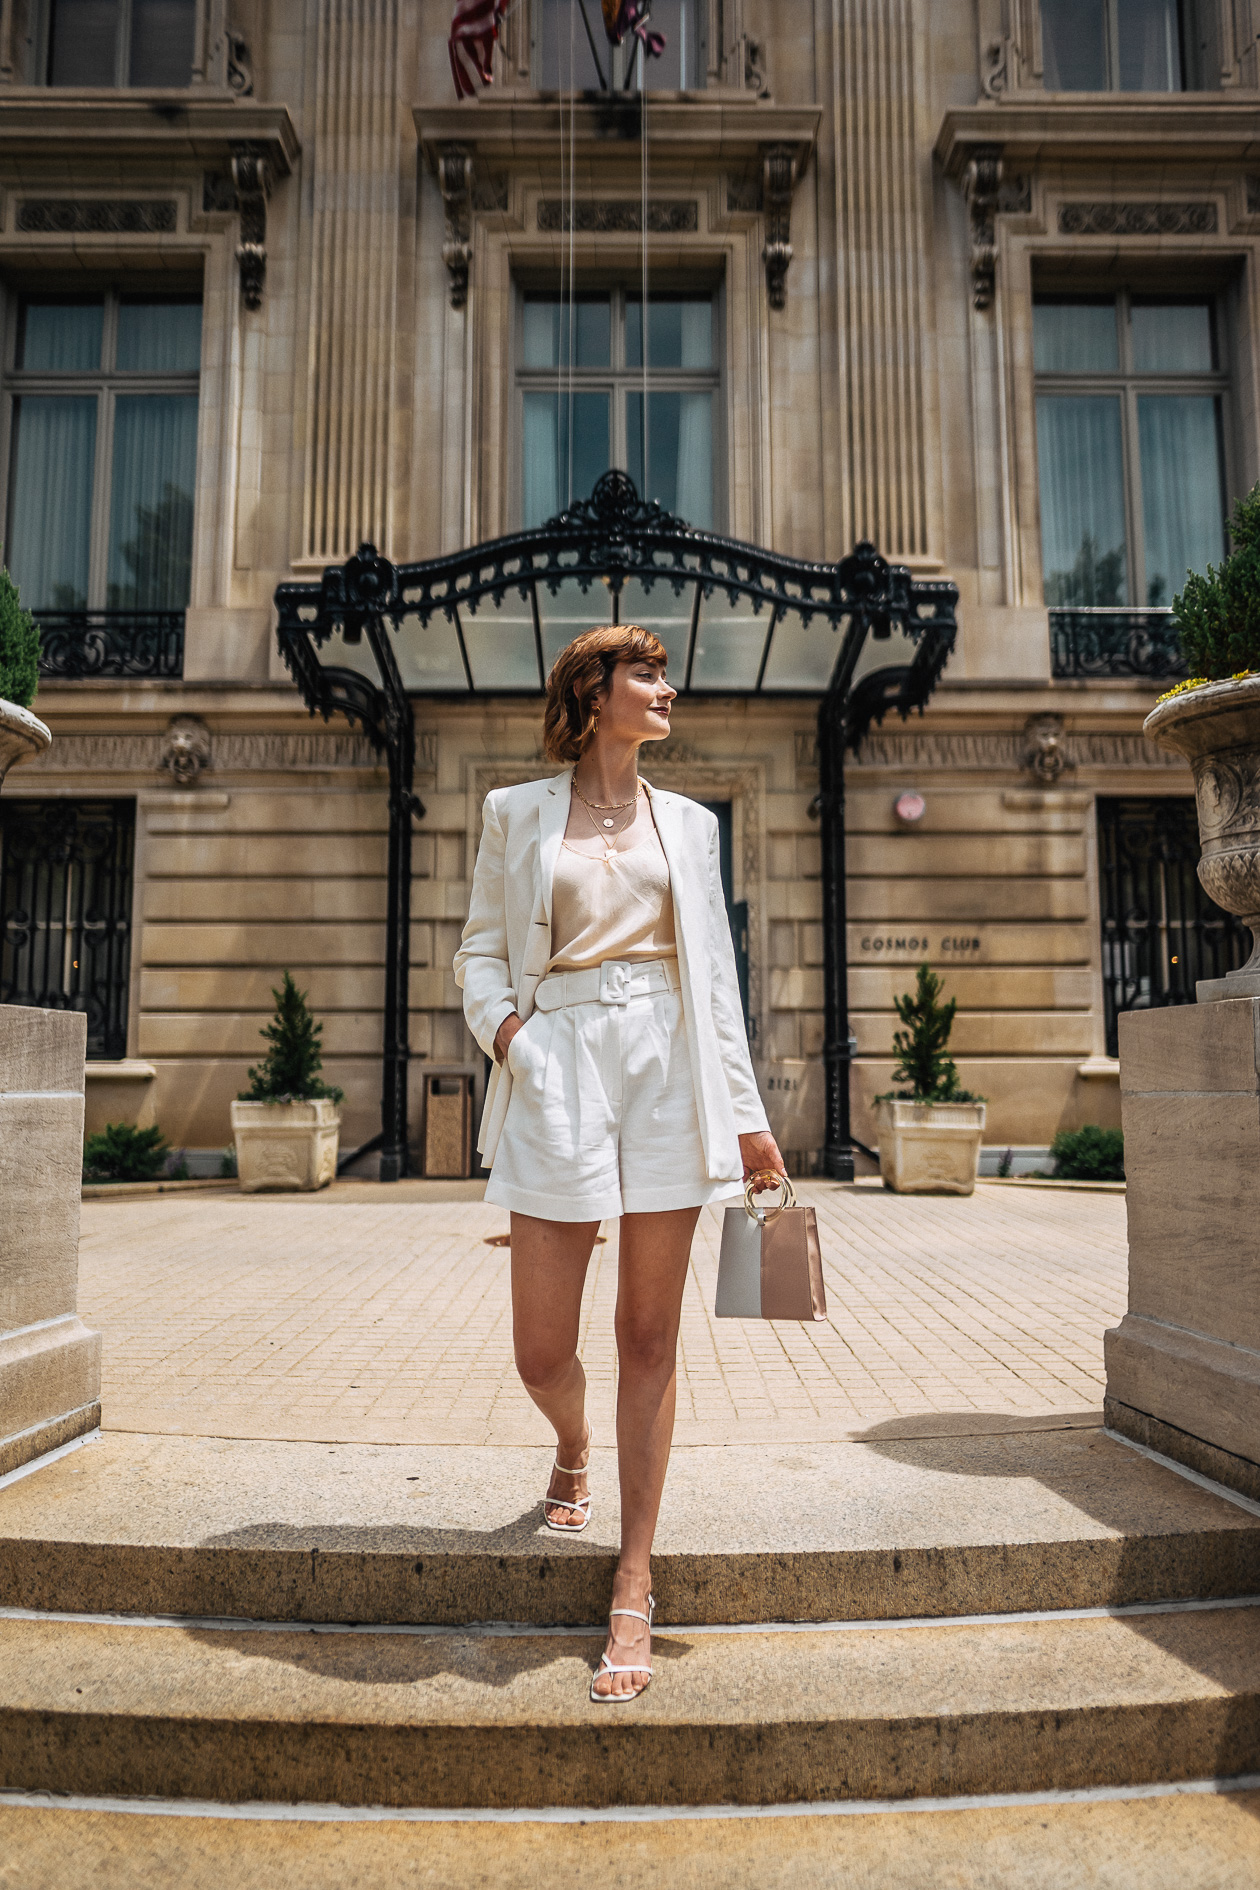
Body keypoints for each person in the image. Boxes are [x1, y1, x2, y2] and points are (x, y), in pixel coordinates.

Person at [454, 624, 786, 1702]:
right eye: (646, 672)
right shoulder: (515, 813)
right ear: (593, 695)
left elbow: (717, 978)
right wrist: (513, 1035)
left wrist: (745, 1115)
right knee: (540, 1353)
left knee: (648, 1333)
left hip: (666, 1067)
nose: (667, 686)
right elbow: (477, 951)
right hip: (556, 1060)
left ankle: (633, 1579)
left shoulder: (689, 824)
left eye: (662, 671)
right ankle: (571, 1440)